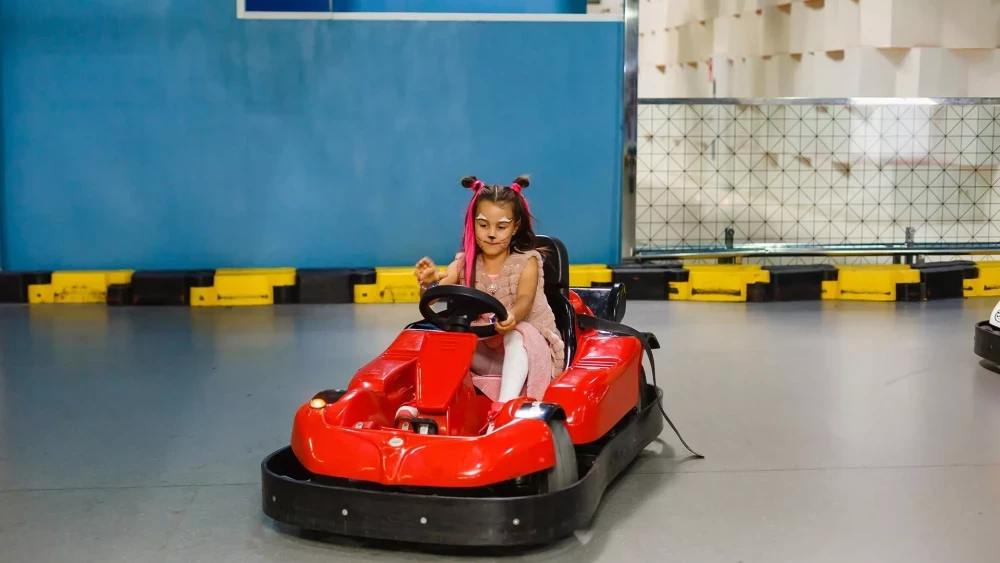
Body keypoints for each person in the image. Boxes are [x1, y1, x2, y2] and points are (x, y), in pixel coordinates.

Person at [406, 175, 565, 432]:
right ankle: (427, 406)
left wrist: (512, 316)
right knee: (441, 338)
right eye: (483, 225)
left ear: (515, 227)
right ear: (473, 225)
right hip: (486, 347)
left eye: (501, 227)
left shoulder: (527, 261)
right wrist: (429, 282)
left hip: (528, 348)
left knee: (518, 332)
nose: (491, 234)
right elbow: (438, 290)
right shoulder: (465, 262)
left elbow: (525, 300)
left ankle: (503, 411)